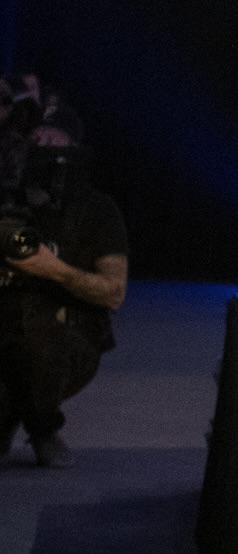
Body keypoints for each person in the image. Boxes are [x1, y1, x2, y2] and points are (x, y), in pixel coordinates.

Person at [0, 94, 126, 470]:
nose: (42, 148)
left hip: (66, 337)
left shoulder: (96, 210)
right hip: (6, 332)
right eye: (36, 139)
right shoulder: (8, 200)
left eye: (54, 140)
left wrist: (53, 269)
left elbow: (114, 292)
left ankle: (42, 428)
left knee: (41, 332)